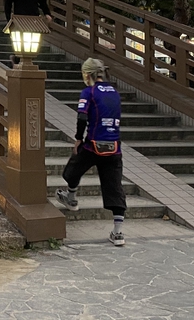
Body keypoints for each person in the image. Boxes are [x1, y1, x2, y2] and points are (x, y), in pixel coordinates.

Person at [56, 58, 127, 247]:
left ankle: (71, 199)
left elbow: (82, 117)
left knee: (73, 169)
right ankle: (118, 233)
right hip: (113, 147)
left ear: (87, 75)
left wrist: (78, 138)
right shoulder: (115, 92)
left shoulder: (89, 92)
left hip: (93, 144)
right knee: (114, 186)